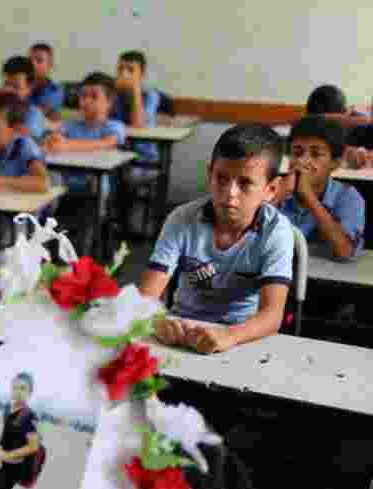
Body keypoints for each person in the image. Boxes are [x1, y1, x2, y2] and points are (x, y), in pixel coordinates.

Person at [139, 123, 294, 354]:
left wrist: (229, 335)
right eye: (221, 178)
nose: (230, 192)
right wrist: (157, 321)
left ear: (271, 189)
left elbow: (272, 317)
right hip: (182, 332)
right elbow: (146, 297)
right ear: (209, 173)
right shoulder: (182, 219)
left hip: (241, 337)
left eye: (245, 183)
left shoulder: (276, 232)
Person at [43, 71, 126, 254]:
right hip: (62, 188)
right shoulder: (69, 126)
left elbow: (107, 143)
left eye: (94, 97)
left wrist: (67, 145)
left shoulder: (114, 127)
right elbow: (52, 143)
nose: (86, 101)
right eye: (83, 96)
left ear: (109, 102)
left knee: (83, 230)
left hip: (93, 190)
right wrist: (53, 140)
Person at [277, 116, 364, 260]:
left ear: (335, 164)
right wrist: (279, 194)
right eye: (297, 153)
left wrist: (309, 197)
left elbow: (345, 252)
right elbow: (243, 238)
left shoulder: (347, 196)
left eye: (315, 154)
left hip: (327, 280)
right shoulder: (275, 188)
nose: (303, 161)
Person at [111, 50, 160, 163]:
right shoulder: (111, 92)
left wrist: (135, 89)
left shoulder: (151, 95)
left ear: (142, 75)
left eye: (130, 70)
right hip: (115, 155)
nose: (124, 74)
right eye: (120, 69)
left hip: (143, 158)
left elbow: (137, 124)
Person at [28, 42, 64, 120]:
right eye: (30, 60)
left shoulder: (55, 90)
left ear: (50, 65)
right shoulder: (20, 84)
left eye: (39, 60)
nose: (33, 64)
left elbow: (38, 113)